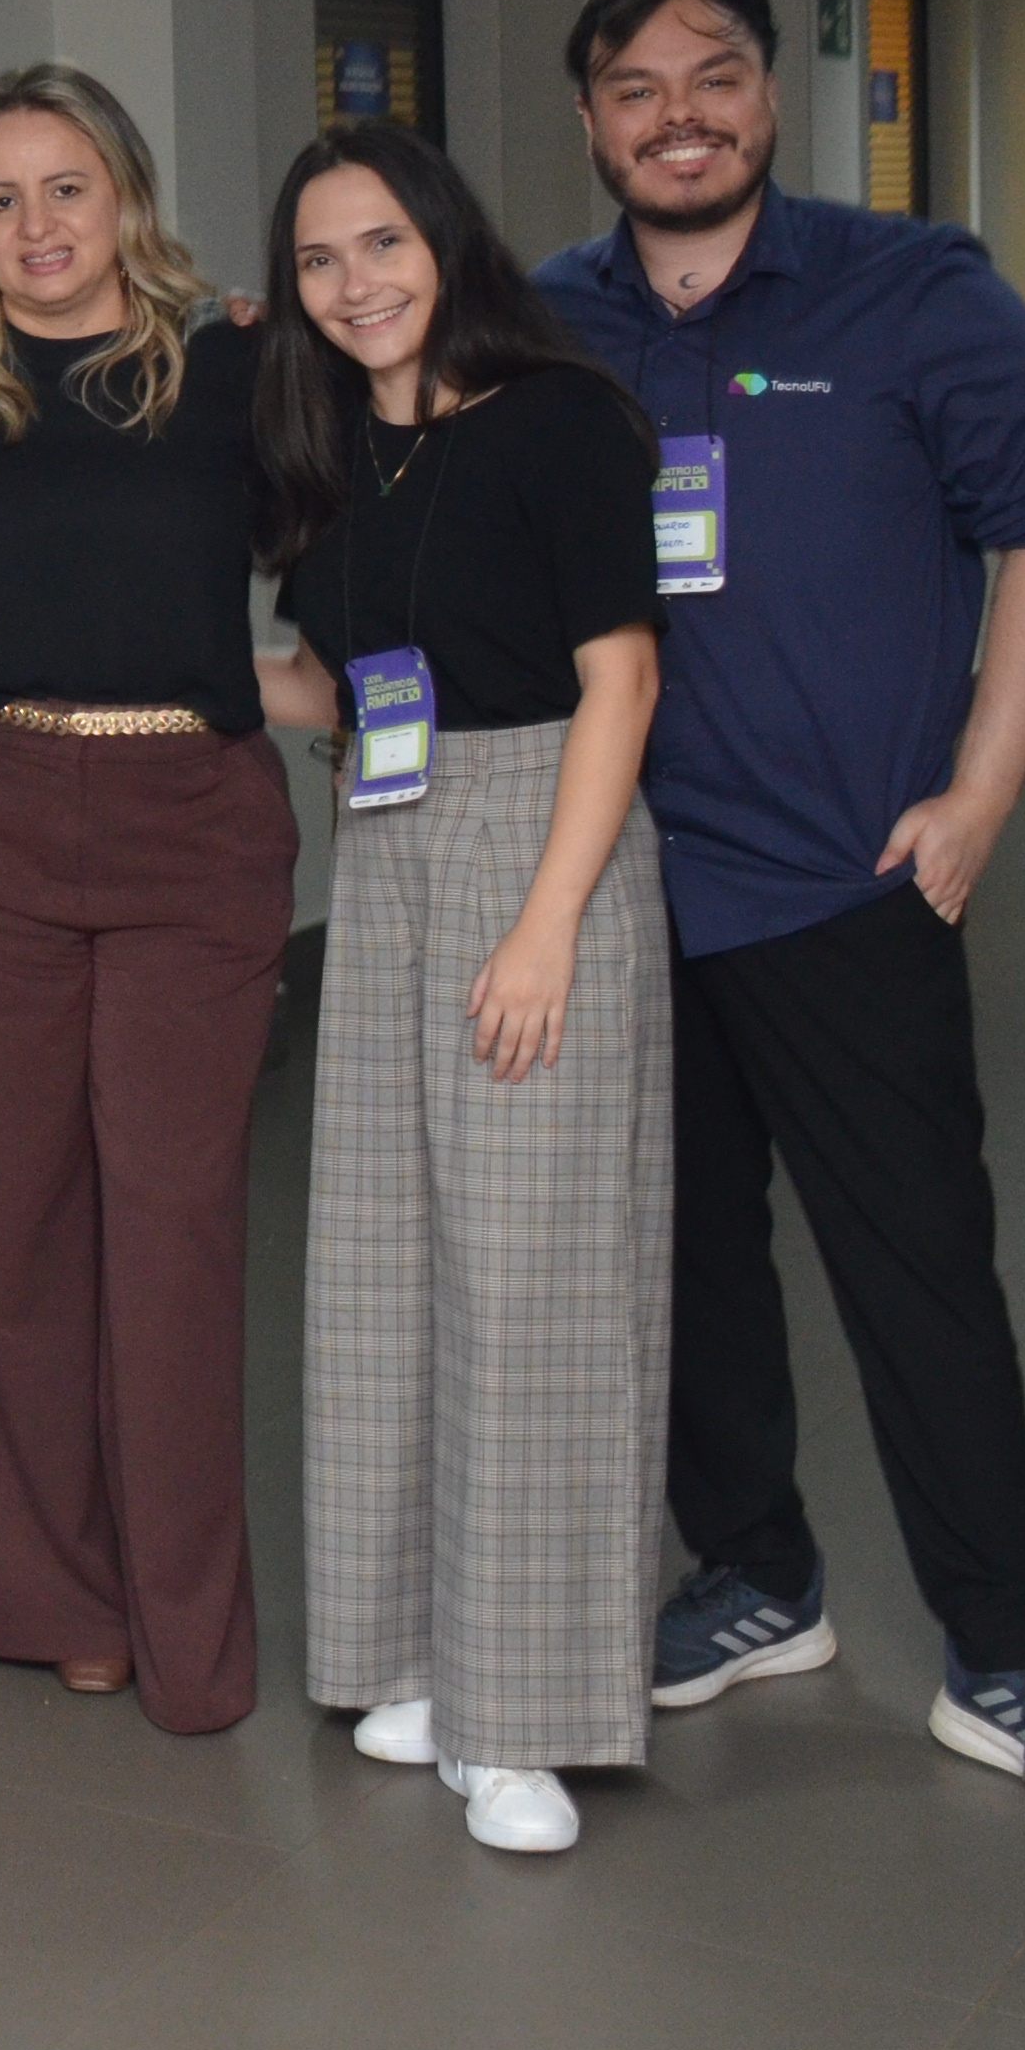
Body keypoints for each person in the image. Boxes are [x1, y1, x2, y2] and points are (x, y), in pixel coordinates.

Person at [535, 0, 1025, 1825]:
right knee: (685, 1268)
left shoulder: (914, 291)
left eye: (716, 77)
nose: (680, 116)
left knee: (920, 1279)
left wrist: (983, 791)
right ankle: (757, 1573)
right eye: (638, 88)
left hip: (842, 886)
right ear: (591, 123)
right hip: (629, 892)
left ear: (771, 97)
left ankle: (1016, 1658)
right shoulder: (547, 318)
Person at [250, 123, 670, 1854]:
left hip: (543, 837)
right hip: (392, 839)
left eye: (383, 244)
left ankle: (530, 1718)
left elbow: (623, 678)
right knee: (382, 1265)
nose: (356, 284)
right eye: (319, 260)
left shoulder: (559, 420)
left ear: (449, 240)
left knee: (532, 1288)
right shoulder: (333, 445)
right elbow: (335, 685)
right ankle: (412, 1653)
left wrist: (550, 922)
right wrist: (141, 655)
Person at [0, 61, 291, 1736]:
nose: (37, 226)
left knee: (174, 1231)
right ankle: (55, 1597)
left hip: (192, 828)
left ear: (126, 195)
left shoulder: (240, 365)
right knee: (3, 1226)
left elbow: (375, 528)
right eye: (0, 199)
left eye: (67, 188)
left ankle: (188, 1622)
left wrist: (337, 692)